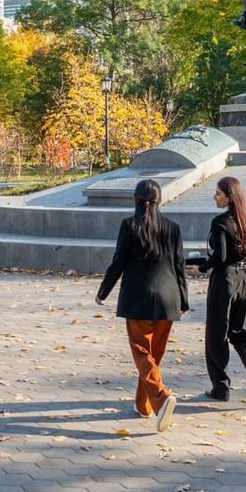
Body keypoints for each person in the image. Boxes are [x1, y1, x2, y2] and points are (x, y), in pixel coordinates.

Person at [97, 179, 190, 432]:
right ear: (160, 200)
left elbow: (118, 262)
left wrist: (103, 292)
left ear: (136, 200)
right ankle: (144, 406)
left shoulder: (129, 225)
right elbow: (179, 267)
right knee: (153, 357)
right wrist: (184, 299)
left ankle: (160, 398)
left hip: (138, 299)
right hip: (168, 299)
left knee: (141, 352)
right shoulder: (172, 228)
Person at [189, 176, 246, 404]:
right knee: (240, 329)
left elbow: (220, 257)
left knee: (216, 333)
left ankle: (220, 387)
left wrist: (201, 267)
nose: (214, 197)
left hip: (225, 279)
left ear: (228, 196)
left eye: (218, 193)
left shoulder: (220, 222)